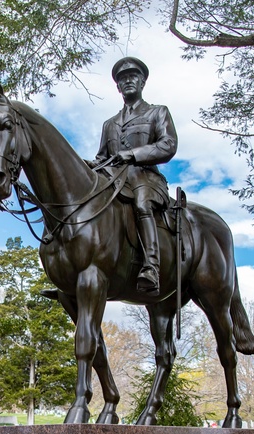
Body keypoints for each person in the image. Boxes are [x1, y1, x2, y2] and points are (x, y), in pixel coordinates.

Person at [88, 57, 177, 292]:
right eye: (122, 79)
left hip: (146, 177)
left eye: (132, 77)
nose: (127, 81)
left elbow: (168, 145)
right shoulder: (110, 124)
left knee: (141, 203)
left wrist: (132, 155)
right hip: (115, 181)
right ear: (118, 87)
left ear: (142, 82)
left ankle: (152, 267)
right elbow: (101, 158)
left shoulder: (158, 113)